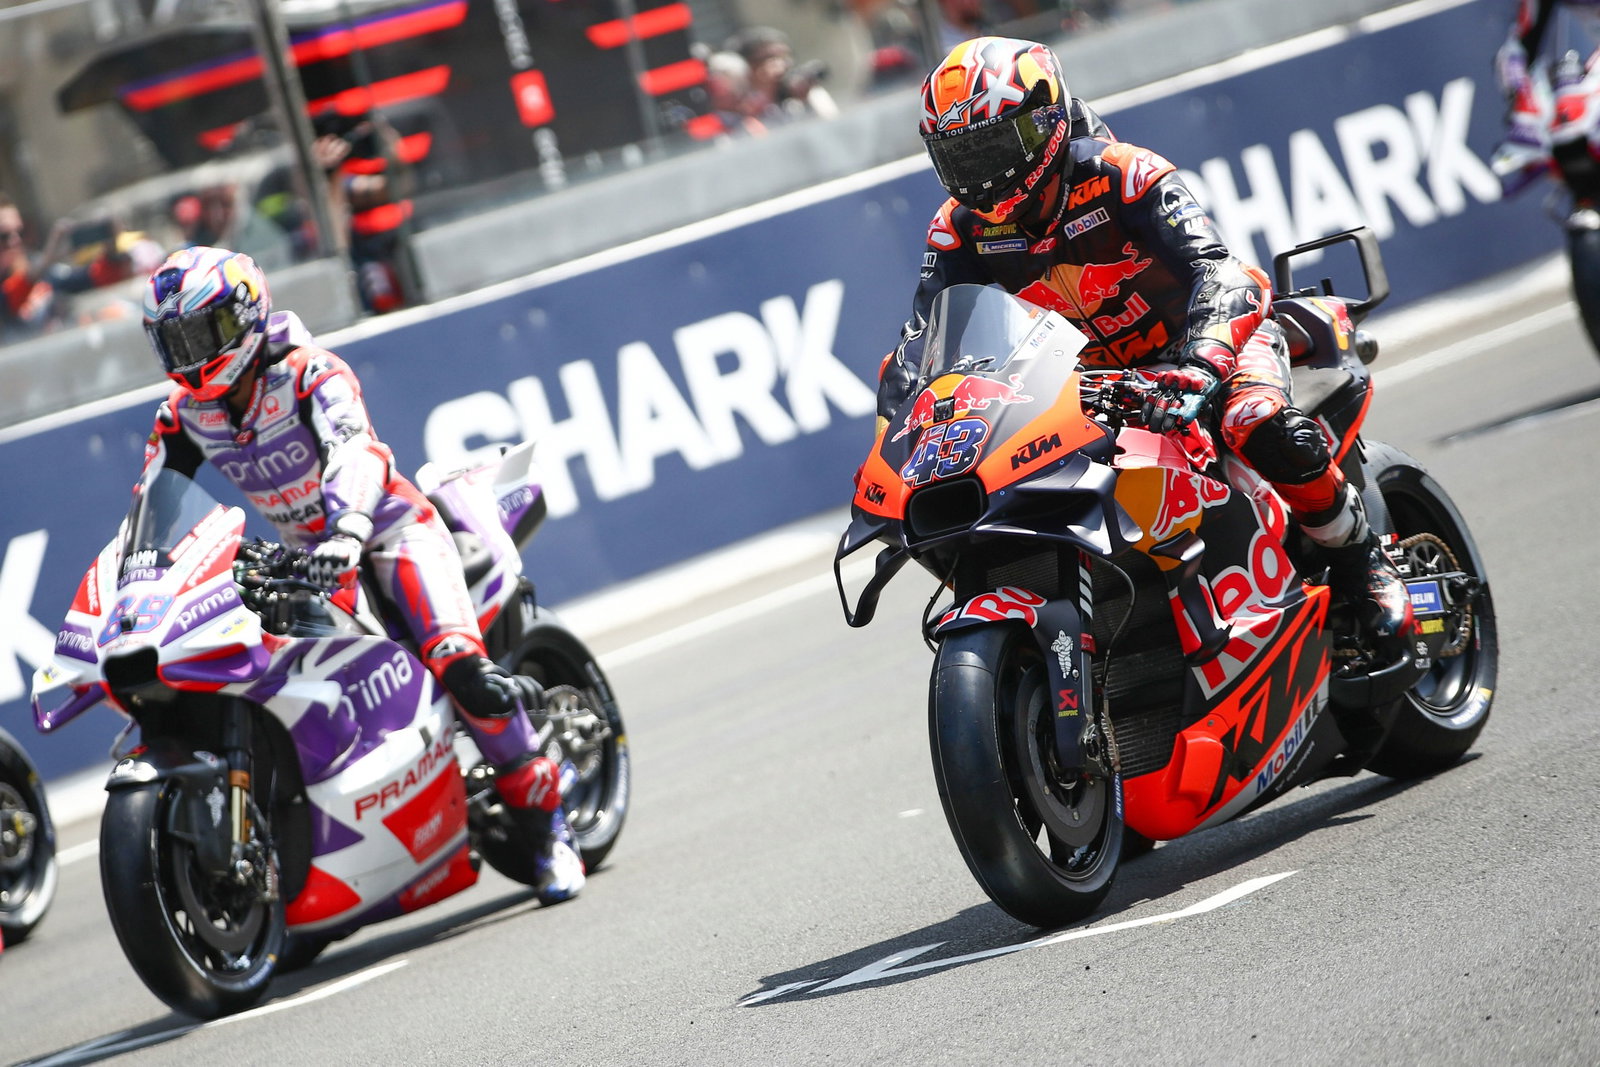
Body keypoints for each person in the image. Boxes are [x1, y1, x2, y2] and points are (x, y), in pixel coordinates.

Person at [875, 37, 1411, 641]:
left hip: (1211, 345)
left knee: (1255, 418)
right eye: (961, 157)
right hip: (1090, 389)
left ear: (1046, 122)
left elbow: (1220, 271)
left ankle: (1361, 558)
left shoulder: (1124, 174)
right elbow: (923, 343)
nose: (981, 173)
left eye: (994, 147)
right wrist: (897, 442)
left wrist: (1203, 361)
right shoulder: (957, 230)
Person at [136, 245, 583, 903]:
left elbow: (355, 449)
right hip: (308, 557)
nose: (191, 353)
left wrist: (347, 528)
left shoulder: (310, 373)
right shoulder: (181, 414)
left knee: (460, 667)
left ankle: (550, 831)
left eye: (204, 333)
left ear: (244, 315)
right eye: (176, 340)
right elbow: (155, 501)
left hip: (388, 531)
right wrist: (145, 571)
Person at [0, 194, 57, 341]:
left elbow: (88, 278)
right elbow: (6, 300)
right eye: (4, 236)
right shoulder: (37, 270)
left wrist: (111, 254)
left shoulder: (39, 268)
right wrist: (33, 275)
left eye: (20, 232)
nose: (15, 241)